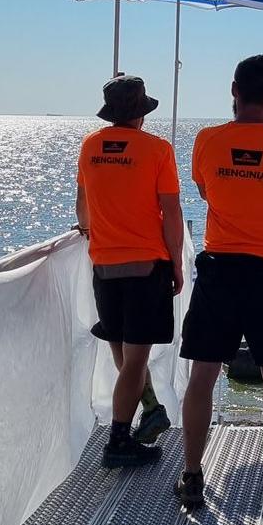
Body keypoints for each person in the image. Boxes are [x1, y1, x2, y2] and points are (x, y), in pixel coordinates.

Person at [177, 55, 263, 513]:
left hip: (220, 270)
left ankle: (192, 476)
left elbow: (204, 189)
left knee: (203, 376)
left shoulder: (207, 141)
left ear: (233, 90)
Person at [76, 75, 185, 469]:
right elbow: (171, 212)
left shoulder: (90, 146)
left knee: (123, 351)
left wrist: (92, 230)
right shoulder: (157, 150)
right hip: (145, 268)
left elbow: (83, 209)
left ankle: (150, 410)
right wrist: (177, 263)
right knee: (136, 359)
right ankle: (118, 440)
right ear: (141, 112)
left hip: (104, 266)